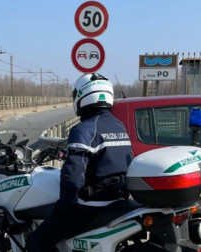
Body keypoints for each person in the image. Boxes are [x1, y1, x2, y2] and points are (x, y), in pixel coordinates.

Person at [26, 73, 133, 251]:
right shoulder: (119, 125)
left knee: (37, 241)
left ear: (82, 96)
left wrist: (65, 207)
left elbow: (72, 177)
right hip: (118, 200)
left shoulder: (84, 130)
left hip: (92, 205)